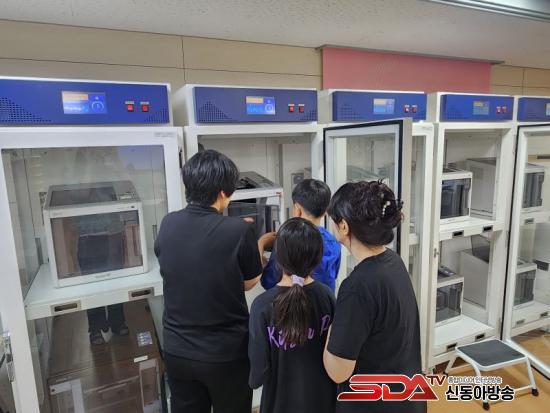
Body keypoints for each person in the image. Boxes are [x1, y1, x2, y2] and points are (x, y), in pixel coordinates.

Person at [154, 149, 263, 413]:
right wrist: (259, 245)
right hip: (225, 354)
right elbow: (250, 281)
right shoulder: (239, 230)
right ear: (223, 193)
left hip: (177, 350)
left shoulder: (168, 224)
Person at [323, 181, 425, 413]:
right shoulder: (393, 261)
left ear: (344, 226)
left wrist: (331, 328)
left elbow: (338, 371)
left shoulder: (357, 287)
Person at [249, 217, 337, 413]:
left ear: (278, 258)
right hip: (322, 403)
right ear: (317, 258)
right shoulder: (327, 297)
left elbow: (257, 376)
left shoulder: (262, 306)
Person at [258, 179, 341, 292]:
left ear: (297, 209)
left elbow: (268, 282)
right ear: (326, 211)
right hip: (322, 300)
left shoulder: (287, 241)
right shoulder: (334, 243)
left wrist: (261, 243)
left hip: (288, 302)